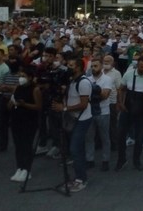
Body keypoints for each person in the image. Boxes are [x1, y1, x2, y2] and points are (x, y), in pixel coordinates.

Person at [51, 57, 92, 193]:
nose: (69, 67)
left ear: (79, 67)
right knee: (76, 148)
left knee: (75, 149)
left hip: (82, 119)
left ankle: (81, 179)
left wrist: (64, 108)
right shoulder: (71, 81)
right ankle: (78, 176)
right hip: (72, 118)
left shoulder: (84, 82)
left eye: (72, 65)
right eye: (68, 64)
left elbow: (83, 104)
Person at [115, 56, 143, 171]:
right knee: (120, 135)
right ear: (137, 66)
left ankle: (136, 161)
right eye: (142, 67)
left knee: (139, 137)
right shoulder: (129, 74)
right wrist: (120, 103)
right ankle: (121, 159)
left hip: (142, 110)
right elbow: (121, 88)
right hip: (127, 108)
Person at [8, 66, 42, 182]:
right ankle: (20, 167)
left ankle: (27, 169)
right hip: (16, 119)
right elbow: (10, 103)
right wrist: (12, 103)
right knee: (18, 145)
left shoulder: (35, 89)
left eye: (24, 76)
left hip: (29, 121)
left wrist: (24, 104)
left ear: (30, 78)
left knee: (26, 145)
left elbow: (38, 106)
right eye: (20, 76)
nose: (21, 78)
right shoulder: (17, 87)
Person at [84, 58, 113, 171]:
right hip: (90, 111)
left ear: (101, 67)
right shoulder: (87, 79)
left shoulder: (107, 79)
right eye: (92, 66)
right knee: (89, 137)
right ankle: (89, 159)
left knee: (104, 137)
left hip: (103, 111)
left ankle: (105, 160)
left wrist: (94, 90)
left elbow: (105, 95)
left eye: (96, 66)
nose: (93, 68)